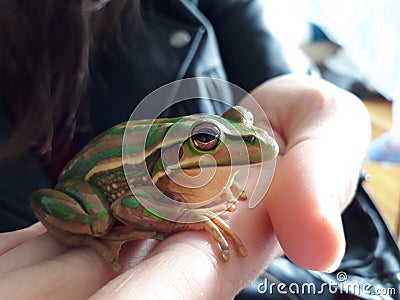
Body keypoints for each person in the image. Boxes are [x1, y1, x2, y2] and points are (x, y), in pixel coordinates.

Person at [0, 1, 372, 299]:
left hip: (299, 282)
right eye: (207, 141)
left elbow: (272, 69)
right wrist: (188, 217)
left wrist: (316, 99)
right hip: (91, 192)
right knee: (98, 219)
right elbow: (128, 206)